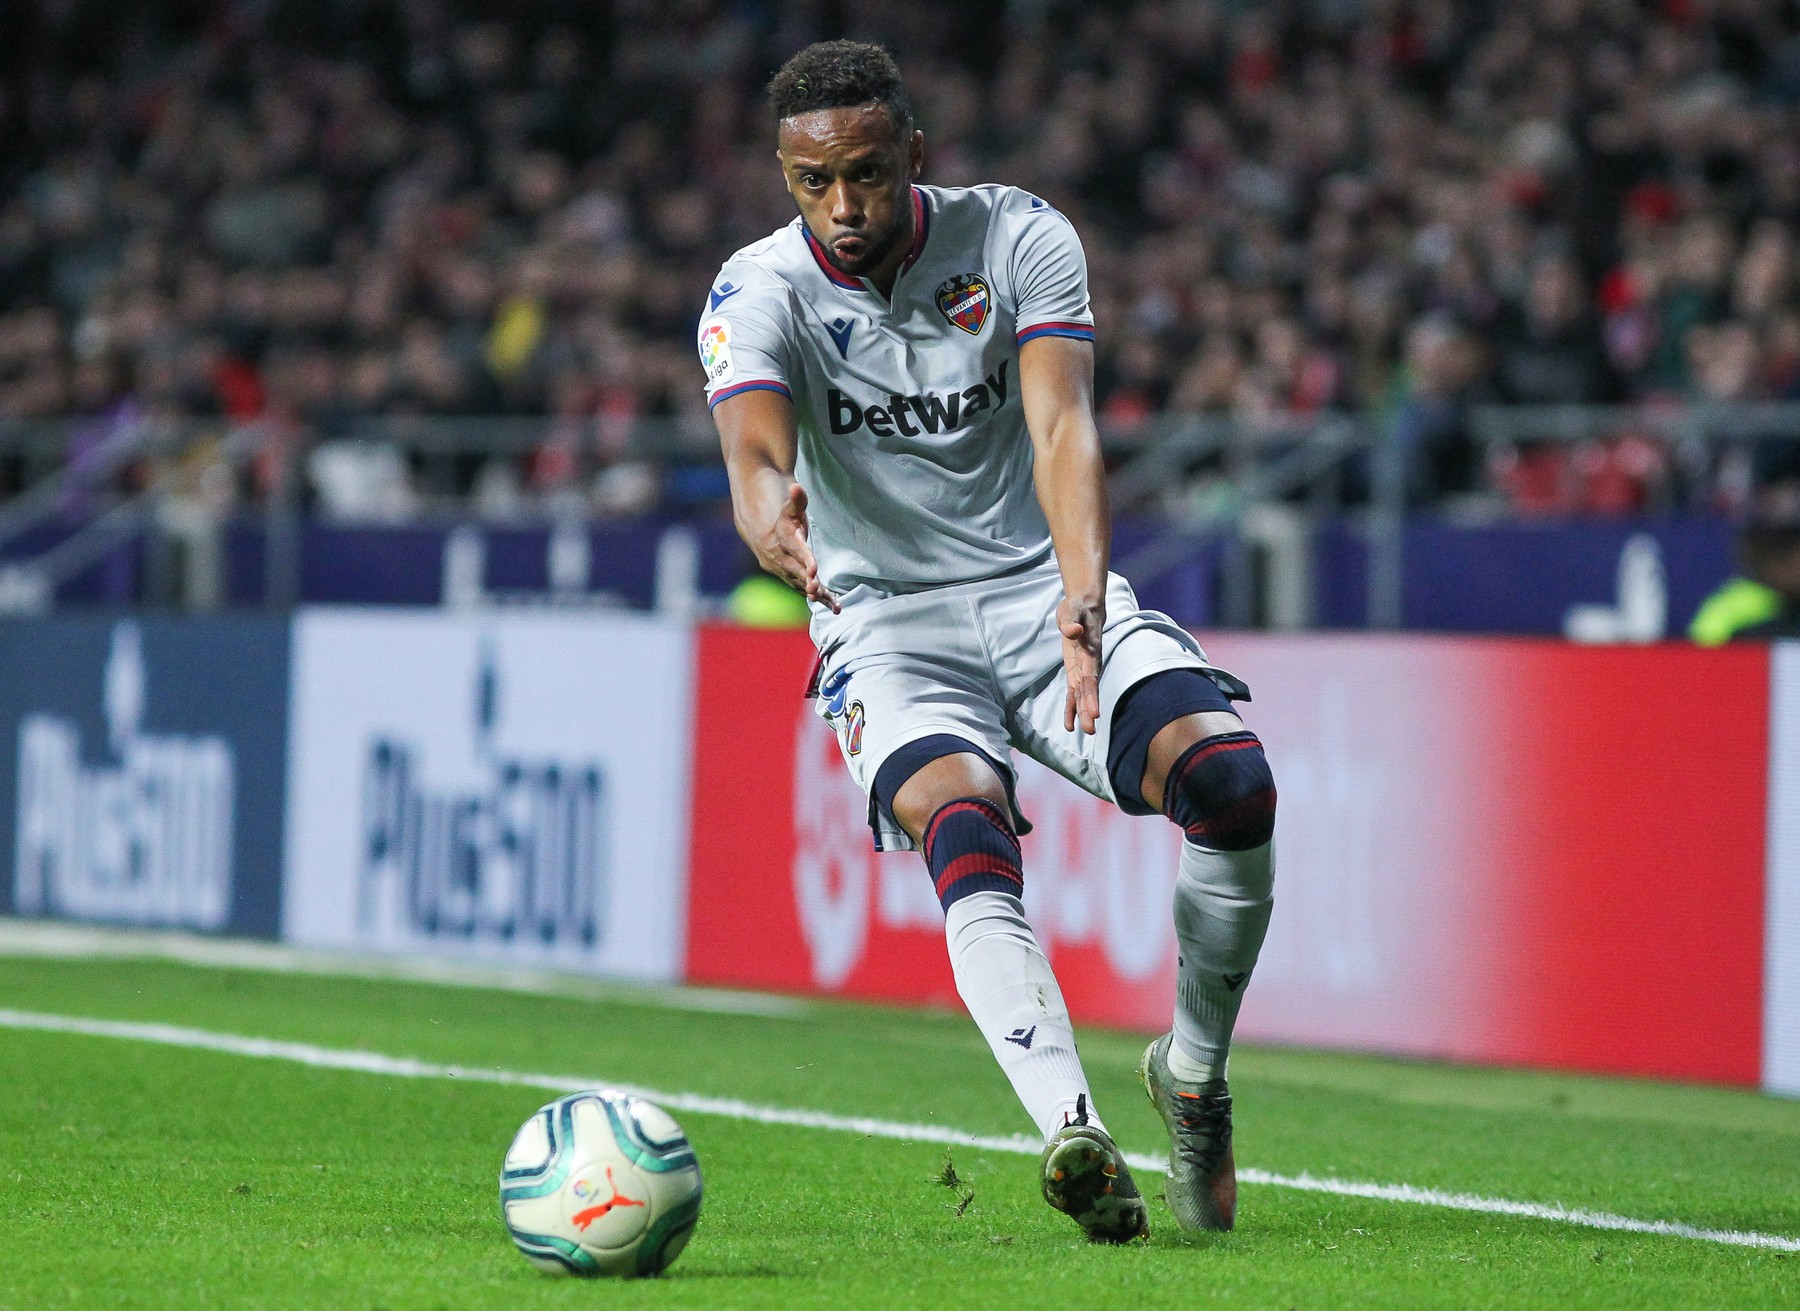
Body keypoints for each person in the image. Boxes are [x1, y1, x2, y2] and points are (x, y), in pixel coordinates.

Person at [701, 41, 1276, 1242]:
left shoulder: (1019, 237)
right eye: (815, 184)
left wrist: (1081, 603)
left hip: (1036, 588)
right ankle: (1073, 1129)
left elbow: (1063, 426)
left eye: (866, 173)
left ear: (916, 152)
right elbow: (755, 454)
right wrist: (769, 518)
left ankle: (1193, 1077)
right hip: (890, 623)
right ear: (784, 175)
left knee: (1229, 784)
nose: (844, 208)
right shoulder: (755, 291)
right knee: (960, 821)